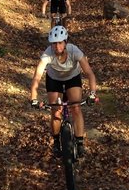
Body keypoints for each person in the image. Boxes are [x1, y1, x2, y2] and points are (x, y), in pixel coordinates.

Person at [30, 25, 97, 157]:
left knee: (76, 107)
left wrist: (92, 93)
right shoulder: (47, 54)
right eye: (54, 44)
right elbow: (37, 77)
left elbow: (89, 73)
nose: (57, 46)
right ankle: (56, 142)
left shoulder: (74, 51)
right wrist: (33, 97)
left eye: (60, 43)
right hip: (54, 80)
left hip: (72, 78)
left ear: (65, 42)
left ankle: (79, 142)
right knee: (56, 111)